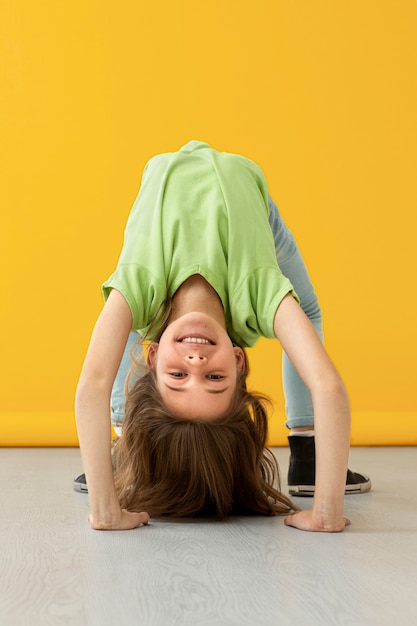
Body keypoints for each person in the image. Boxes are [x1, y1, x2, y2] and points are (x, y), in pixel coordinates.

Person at [75, 140, 369, 532]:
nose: (195, 364)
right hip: (252, 202)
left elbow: (93, 383)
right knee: (306, 312)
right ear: (237, 358)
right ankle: (306, 444)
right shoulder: (259, 291)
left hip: (166, 181)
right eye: (215, 379)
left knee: (125, 318)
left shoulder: (141, 280)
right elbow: (327, 386)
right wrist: (326, 511)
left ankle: (121, 443)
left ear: (153, 356)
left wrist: (105, 509)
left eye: (177, 377)